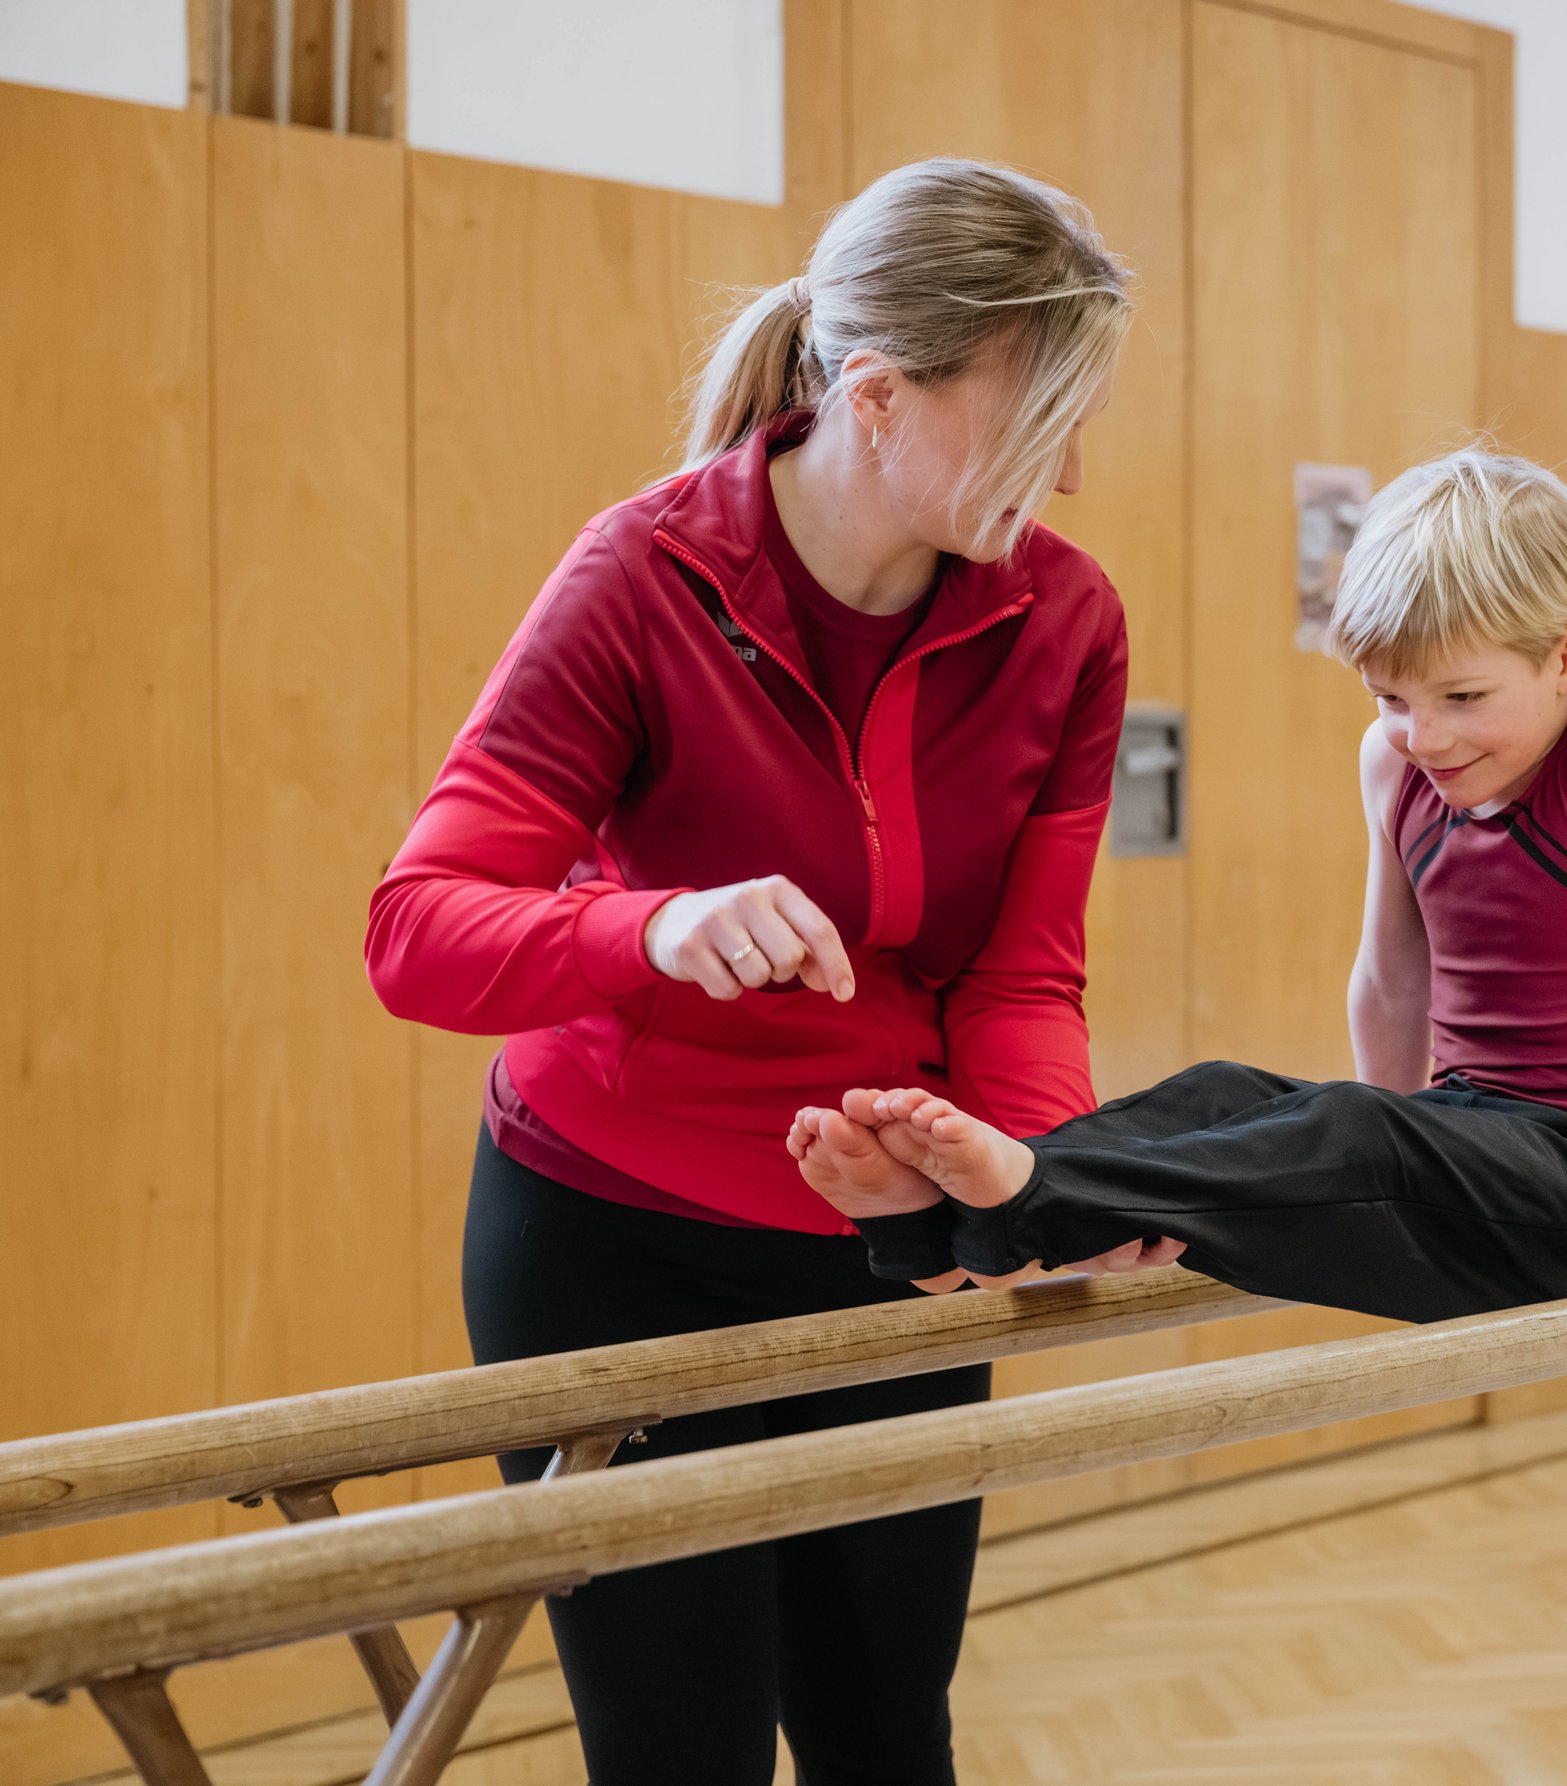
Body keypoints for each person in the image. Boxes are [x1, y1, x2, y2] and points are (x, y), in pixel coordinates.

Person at [365, 158, 1147, 1785]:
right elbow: (421, 926)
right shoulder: (643, 578)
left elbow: (1020, 980)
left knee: (884, 1740)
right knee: (682, 1757)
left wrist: (1033, 1183)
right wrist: (644, 926)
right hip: (610, 1249)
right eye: (1037, 422)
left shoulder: (1064, 624)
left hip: (889, 1255)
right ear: (873, 396)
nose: (1069, 471)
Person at [790, 449, 1567, 1344]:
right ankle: (937, 1224)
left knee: (1352, 1133)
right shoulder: (1393, 764)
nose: (1426, 736)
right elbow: (1391, 979)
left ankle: (1032, 1203)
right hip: (1466, 1140)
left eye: (1462, 698)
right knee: (1222, 1094)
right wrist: (1387, 1189)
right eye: (1391, 697)